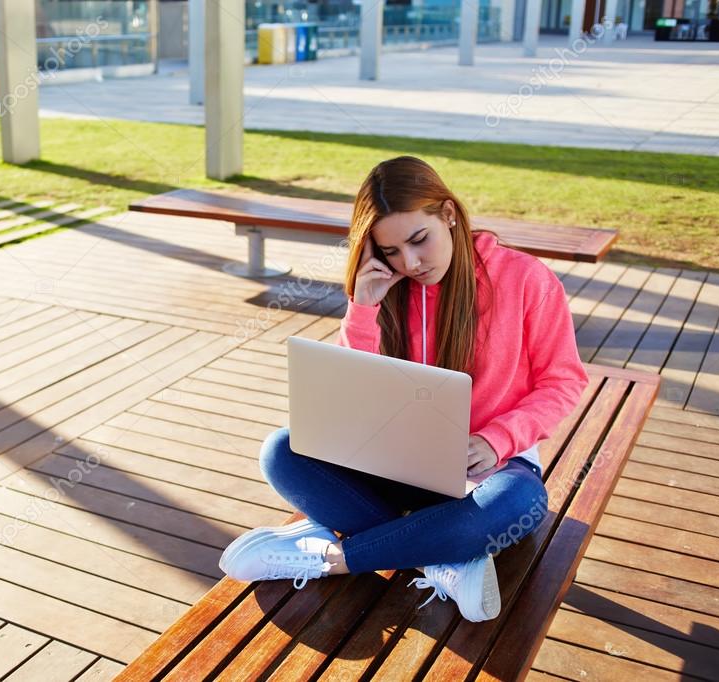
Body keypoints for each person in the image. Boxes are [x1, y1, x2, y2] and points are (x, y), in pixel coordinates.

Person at [219, 156, 590, 622]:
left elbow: (563, 382)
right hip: (396, 467)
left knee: (520, 504)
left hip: (493, 469)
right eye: (391, 251)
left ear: (448, 215)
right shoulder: (387, 287)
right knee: (281, 451)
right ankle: (445, 557)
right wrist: (363, 307)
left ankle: (326, 557)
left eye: (419, 240)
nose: (410, 263)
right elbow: (352, 386)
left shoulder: (525, 279)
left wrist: (497, 440)